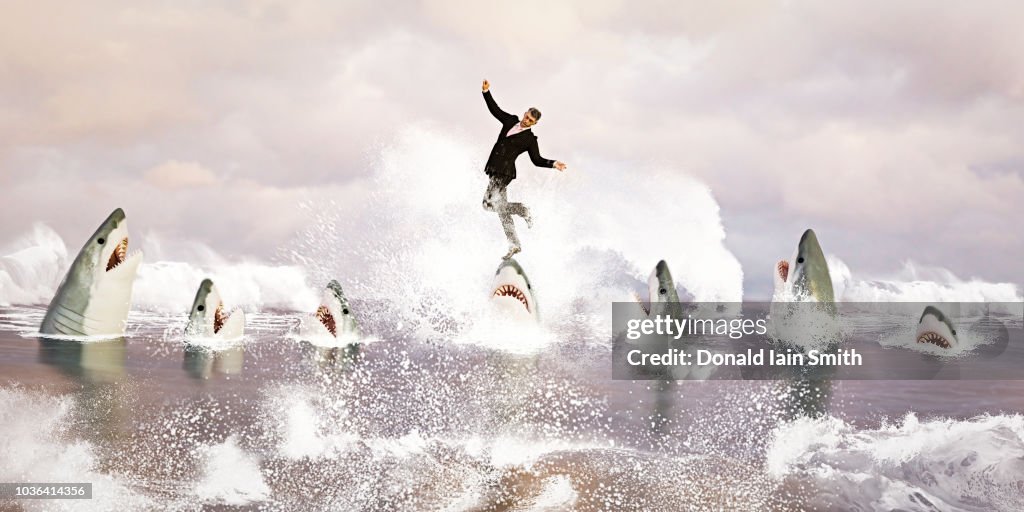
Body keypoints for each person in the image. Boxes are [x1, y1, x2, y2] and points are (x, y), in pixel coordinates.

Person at [480, 79, 567, 259]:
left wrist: (553, 163)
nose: (527, 121)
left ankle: (522, 210)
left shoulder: (530, 139)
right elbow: (495, 110)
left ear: (534, 123)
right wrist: (486, 92)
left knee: (488, 205)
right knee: (502, 211)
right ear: (525, 113)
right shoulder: (510, 120)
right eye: (527, 117)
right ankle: (514, 244)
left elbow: (536, 160)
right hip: (494, 169)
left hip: (504, 173)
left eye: (531, 121)